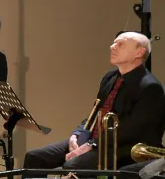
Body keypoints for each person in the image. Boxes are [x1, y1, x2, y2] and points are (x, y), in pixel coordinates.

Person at [24, 32, 165, 171]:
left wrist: (92, 144)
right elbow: (96, 112)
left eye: (120, 44)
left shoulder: (150, 87)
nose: (112, 47)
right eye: (114, 42)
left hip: (124, 147)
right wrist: (77, 134)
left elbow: (130, 130)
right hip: (97, 140)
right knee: (34, 157)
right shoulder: (110, 77)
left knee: (73, 166)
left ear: (139, 52)